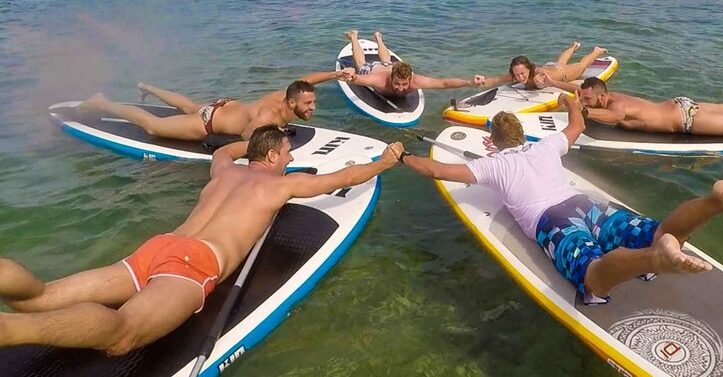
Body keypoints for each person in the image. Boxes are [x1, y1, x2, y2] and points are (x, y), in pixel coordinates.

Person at [0, 125, 405, 354]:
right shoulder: (282, 185)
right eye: (285, 151)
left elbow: (224, 151)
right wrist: (384, 162)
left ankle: (17, 315)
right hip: (194, 264)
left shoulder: (223, 170)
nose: (289, 157)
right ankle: (11, 331)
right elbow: (345, 178)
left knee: (38, 294)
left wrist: (251, 143)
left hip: (160, 246)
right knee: (123, 333)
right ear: (273, 157)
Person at [399, 94, 723, 302]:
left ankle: (655, 259)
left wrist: (401, 157)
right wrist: (568, 103)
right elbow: (577, 124)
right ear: (521, 135)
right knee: (659, 229)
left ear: (493, 142)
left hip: (553, 221)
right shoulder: (545, 146)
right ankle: (715, 203)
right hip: (586, 205)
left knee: (593, 276)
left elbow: (436, 170)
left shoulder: (492, 166)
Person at [78, 66, 354, 141]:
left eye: (313, 103)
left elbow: (307, 79)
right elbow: (249, 136)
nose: (312, 108)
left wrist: (336, 74)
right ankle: (103, 103)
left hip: (225, 106)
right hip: (209, 123)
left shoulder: (287, 93)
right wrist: (274, 136)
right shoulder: (268, 115)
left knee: (188, 105)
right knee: (153, 126)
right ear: (292, 102)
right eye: (307, 105)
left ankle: (146, 87)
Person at [547, 76, 723, 140]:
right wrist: (555, 84)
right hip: (681, 104)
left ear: (600, 96)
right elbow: (578, 91)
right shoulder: (607, 93)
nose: (584, 100)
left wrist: (578, 111)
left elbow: (611, 117)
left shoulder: (616, 105)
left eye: (587, 99)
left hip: (685, 119)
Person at [340, 30, 488, 98]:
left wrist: (470, 82)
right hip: (375, 69)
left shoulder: (414, 81)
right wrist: (351, 76)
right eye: (397, 83)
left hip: (389, 66)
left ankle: (378, 38)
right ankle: (354, 36)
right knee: (361, 64)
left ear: (410, 79)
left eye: (404, 84)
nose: (400, 88)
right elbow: (358, 79)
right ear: (391, 78)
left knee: (388, 62)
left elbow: (443, 83)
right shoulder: (380, 80)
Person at [481, 41, 608, 90]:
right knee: (561, 61)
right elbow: (495, 80)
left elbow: (543, 77)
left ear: (529, 69)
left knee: (582, 65)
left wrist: (541, 80)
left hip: (562, 73)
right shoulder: (517, 74)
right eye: (516, 75)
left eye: (522, 74)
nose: (519, 78)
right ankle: (573, 46)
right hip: (553, 66)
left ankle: (596, 51)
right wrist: (481, 82)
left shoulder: (538, 73)